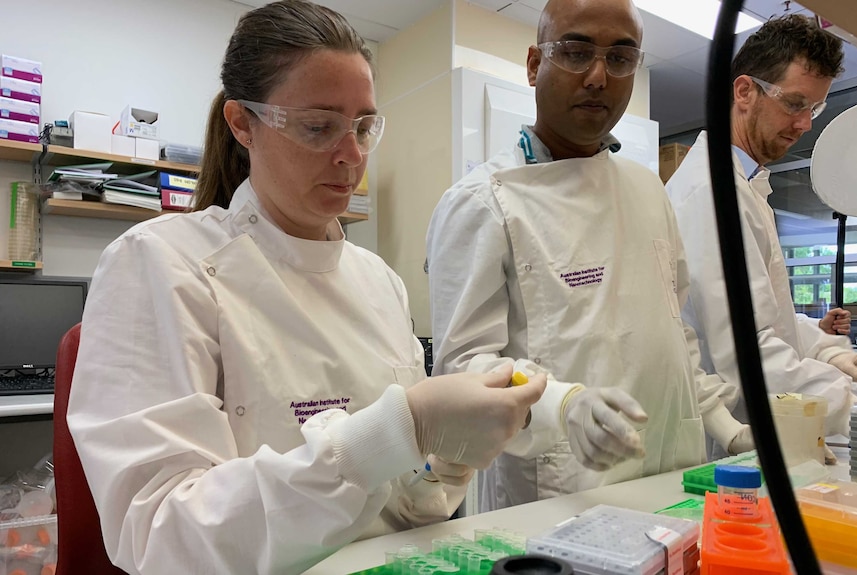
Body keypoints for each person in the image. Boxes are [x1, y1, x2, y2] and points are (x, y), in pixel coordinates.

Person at [66, 2, 546, 573]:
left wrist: (451, 456)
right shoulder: (159, 263)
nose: (353, 157)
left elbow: (410, 509)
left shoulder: (380, 284)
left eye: (364, 126)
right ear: (242, 123)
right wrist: (397, 429)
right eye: (319, 126)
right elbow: (163, 534)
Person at [427, 0, 733, 513]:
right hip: (558, 491)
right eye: (575, 52)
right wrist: (561, 405)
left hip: (669, 475)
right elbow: (465, 371)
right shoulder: (484, 201)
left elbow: (673, 333)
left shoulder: (646, 189)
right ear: (533, 65)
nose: (598, 76)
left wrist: (727, 427)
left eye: (620, 58)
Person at [665, 14, 857, 460]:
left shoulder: (747, 187)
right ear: (745, 91)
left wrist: (832, 356)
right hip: (727, 444)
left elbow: (770, 321)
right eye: (794, 104)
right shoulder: (713, 194)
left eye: (814, 108)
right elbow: (747, 355)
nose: (805, 123)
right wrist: (845, 399)